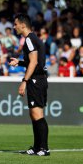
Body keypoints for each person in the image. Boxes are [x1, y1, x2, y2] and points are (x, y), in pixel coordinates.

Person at [9, 13, 50, 156]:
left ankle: (44, 148)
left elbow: (34, 62)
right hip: (38, 79)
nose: (14, 27)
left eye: (15, 24)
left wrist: (24, 81)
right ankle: (37, 147)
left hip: (36, 79)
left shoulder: (29, 40)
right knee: (34, 113)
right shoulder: (33, 39)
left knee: (37, 113)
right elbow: (33, 60)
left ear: (23, 25)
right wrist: (19, 62)